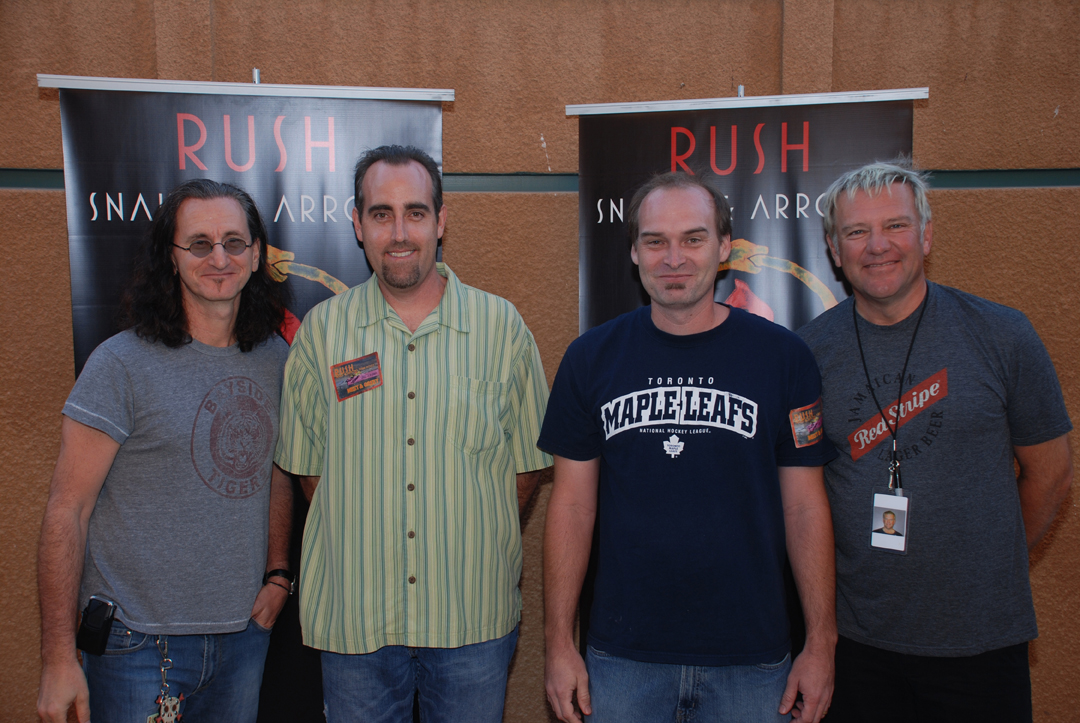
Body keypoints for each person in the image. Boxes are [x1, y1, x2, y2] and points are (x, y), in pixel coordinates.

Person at [540, 172, 838, 723]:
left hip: (753, 660)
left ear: (724, 247)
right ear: (634, 251)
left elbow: (804, 506)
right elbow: (572, 506)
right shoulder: (590, 359)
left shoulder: (784, 358)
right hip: (622, 658)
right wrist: (558, 643)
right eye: (655, 241)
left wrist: (821, 643)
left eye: (693, 239)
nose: (673, 258)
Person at [275, 145, 552, 723]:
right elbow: (312, 471)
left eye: (416, 213)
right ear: (358, 224)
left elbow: (525, 467)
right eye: (382, 214)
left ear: (441, 220)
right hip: (356, 621)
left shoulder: (501, 328)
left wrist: (469, 532)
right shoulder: (323, 334)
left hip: (470, 619)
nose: (399, 232)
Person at [798, 161, 1074, 722]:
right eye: (857, 231)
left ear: (926, 235)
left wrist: (988, 563)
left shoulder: (1003, 335)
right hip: (856, 647)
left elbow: (1051, 473)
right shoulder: (805, 356)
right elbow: (801, 496)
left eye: (896, 226)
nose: (877, 245)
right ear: (834, 249)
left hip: (982, 645)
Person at [37, 179, 294, 723]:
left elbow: (275, 472)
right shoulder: (120, 364)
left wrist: (277, 575)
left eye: (234, 242)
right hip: (136, 646)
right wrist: (58, 657)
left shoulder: (275, 358)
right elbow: (67, 510)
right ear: (171, 258)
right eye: (199, 244)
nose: (219, 258)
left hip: (242, 638)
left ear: (256, 256)